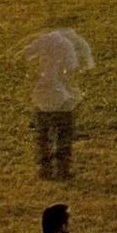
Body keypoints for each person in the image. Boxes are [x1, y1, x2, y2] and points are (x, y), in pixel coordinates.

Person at [22, 23, 93, 181]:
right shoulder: (68, 45)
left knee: (43, 135)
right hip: (61, 98)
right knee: (63, 134)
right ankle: (62, 170)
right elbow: (73, 70)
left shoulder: (41, 41)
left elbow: (26, 58)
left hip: (40, 95)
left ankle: (44, 169)